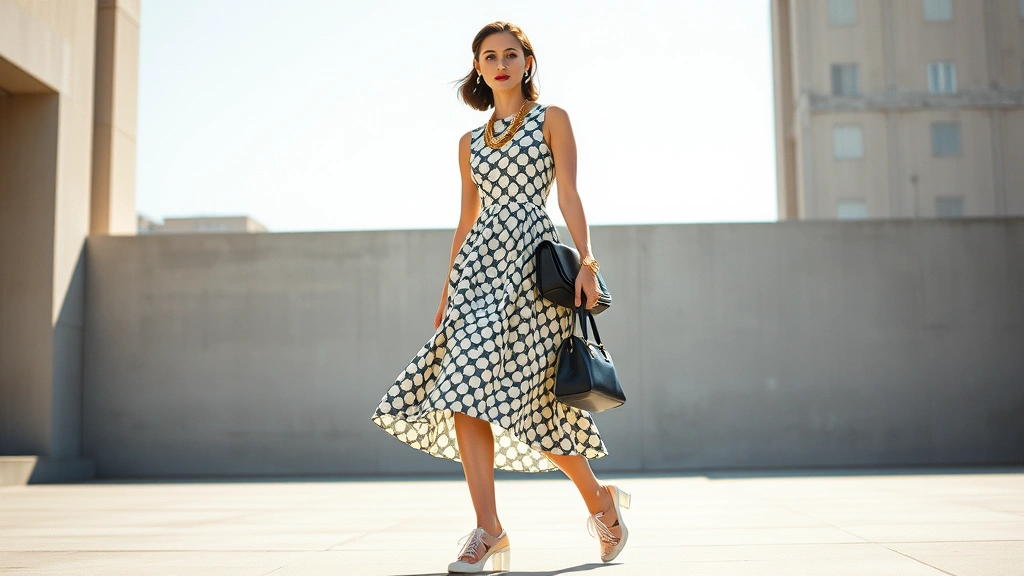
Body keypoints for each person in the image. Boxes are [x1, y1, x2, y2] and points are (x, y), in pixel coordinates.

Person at [371, 20, 629, 574]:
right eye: (489, 56)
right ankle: (488, 528)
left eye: (510, 54)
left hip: (534, 270)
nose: (501, 63)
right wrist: (447, 294)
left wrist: (587, 260)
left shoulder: (550, 119)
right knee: (461, 386)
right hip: (477, 276)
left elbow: (568, 193)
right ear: (479, 69)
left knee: (537, 405)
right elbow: (465, 222)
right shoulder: (468, 144)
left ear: (527, 62)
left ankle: (600, 502)